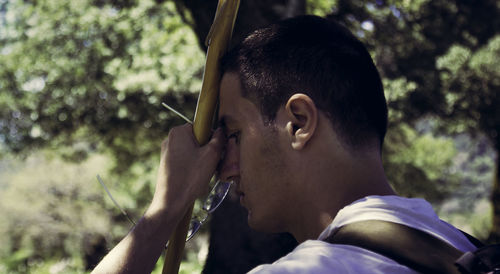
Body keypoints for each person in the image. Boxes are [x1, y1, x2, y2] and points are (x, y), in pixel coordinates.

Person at [93, 15, 477, 273]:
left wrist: (163, 211)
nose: (223, 170)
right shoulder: (464, 249)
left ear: (298, 123)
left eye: (234, 135)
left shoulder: (316, 268)